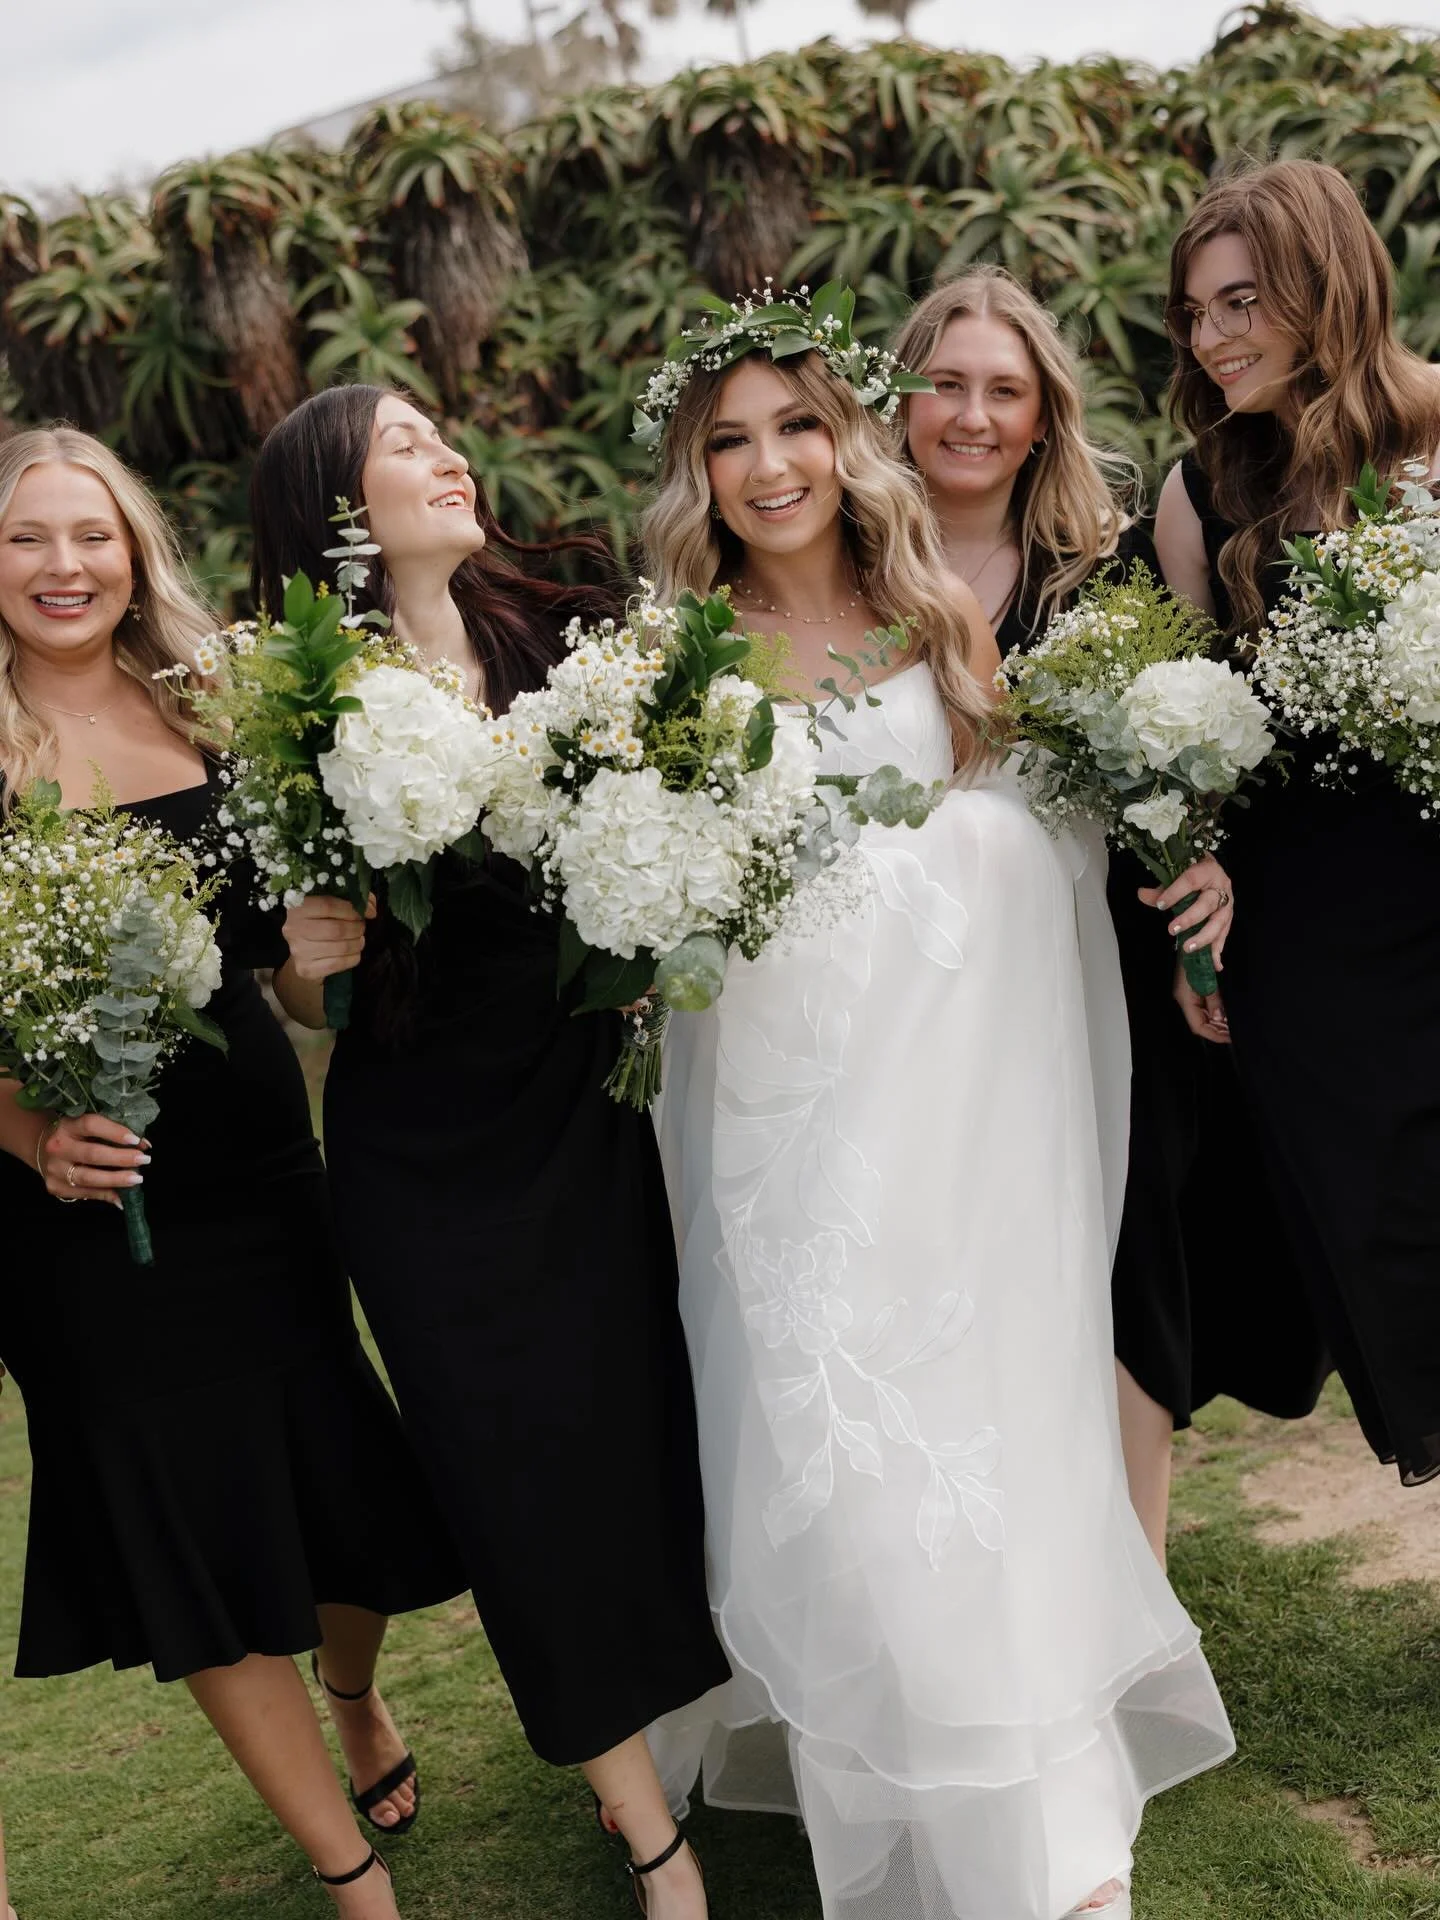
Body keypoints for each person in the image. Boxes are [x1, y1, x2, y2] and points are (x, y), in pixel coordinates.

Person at [638, 291, 1234, 1920]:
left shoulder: (940, 622)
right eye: (731, 441)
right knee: (851, 1497)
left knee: (991, 1461)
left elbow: (1041, 845)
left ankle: (1044, 1847)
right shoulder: (675, 669)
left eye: (796, 425)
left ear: (847, 435)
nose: (771, 466)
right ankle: (897, 1787)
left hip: (967, 1142)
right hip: (798, 1148)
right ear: (698, 474)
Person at [257, 386, 731, 1920]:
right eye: (401, 445)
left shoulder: (567, 615)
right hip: (424, 1153)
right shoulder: (294, 698)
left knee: (654, 1428)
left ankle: (700, 1718)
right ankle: (649, 1831)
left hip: (594, 1106)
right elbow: (297, 982)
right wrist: (304, 954)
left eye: (438, 433)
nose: (445, 455)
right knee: (519, 1469)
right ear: (335, 504)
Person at [0, 428, 466, 1917]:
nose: (63, 567)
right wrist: (29, 1141)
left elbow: (291, 982)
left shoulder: (216, 701)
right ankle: (351, 1874)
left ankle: (354, 1691)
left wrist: (324, 959)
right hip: (78, 1214)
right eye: (26, 539)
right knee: (187, 1525)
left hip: (259, 1174)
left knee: (333, 1486)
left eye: (91, 536)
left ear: (135, 551)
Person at [892, 268, 1326, 1561]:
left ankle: (1135, 1578)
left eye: (1005, 392)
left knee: (1130, 1255)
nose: (973, 416)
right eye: (949, 384)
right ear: (902, 396)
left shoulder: (1101, 576)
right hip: (920, 989)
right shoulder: (848, 573)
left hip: (1098, 970)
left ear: (1043, 416)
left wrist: (1215, 870)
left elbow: (1200, 743)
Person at [1155, 157, 1440, 1489]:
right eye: (1195, 315)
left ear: (1327, 285)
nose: (1211, 341)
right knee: (1390, 1236)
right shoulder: (1203, 494)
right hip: (1314, 950)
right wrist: (1196, 890)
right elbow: (1194, 734)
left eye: (1238, 304)